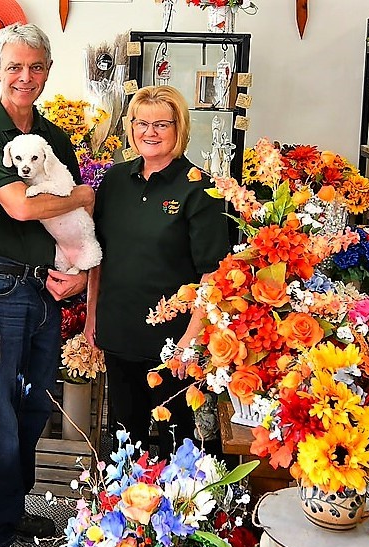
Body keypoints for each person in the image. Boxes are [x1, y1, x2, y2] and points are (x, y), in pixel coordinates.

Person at [0, 23, 94, 547]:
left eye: (36, 67)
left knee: (35, 405)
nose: (25, 77)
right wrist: (81, 192)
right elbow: (19, 206)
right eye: (15, 66)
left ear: (47, 71)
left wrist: (78, 273)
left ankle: (9, 510)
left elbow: (69, 218)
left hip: (47, 284)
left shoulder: (55, 135)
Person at [84, 85, 229, 459]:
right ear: (130, 127)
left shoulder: (199, 188)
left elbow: (213, 276)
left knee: (175, 441)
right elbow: (98, 255)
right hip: (119, 332)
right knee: (122, 440)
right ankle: (124, 512)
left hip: (172, 342)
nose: (150, 132)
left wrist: (191, 341)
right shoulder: (115, 181)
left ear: (179, 128)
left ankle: (174, 514)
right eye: (141, 123)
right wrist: (90, 319)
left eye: (161, 124)